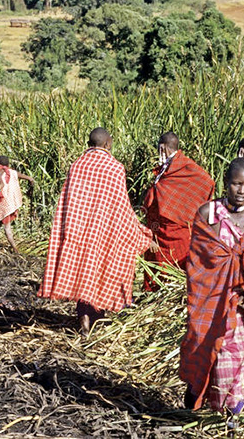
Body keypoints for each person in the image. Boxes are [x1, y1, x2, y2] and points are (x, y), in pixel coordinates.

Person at [179, 157, 244, 431]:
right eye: (236, 183)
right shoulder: (207, 214)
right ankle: (194, 398)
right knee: (204, 348)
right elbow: (199, 265)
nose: (242, 190)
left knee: (237, 361)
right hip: (211, 302)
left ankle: (231, 415)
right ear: (226, 183)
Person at [38, 127, 156, 335]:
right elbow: (121, 207)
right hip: (103, 232)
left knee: (82, 272)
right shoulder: (114, 168)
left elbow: (67, 201)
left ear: (88, 143)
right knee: (99, 271)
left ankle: (83, 320)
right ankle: (95, 318)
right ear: (107, 144)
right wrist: (141, 233)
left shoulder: (77, 166)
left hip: (77, 231)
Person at [142, 132, 215, 290]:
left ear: (162, 148)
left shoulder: (183, 165)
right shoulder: (170, 167)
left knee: (171, 267)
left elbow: (207, 183)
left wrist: (190, 210)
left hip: (176, 229)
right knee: (159, 264)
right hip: (161, 229)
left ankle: (166, 295)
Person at [0, 155, 34, 253]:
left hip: (4, 202)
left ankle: (15, 249)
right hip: (13, 202)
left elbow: (1, 185)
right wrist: (30, 190)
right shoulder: (13, 172)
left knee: (7, 226)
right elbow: (30, 178)